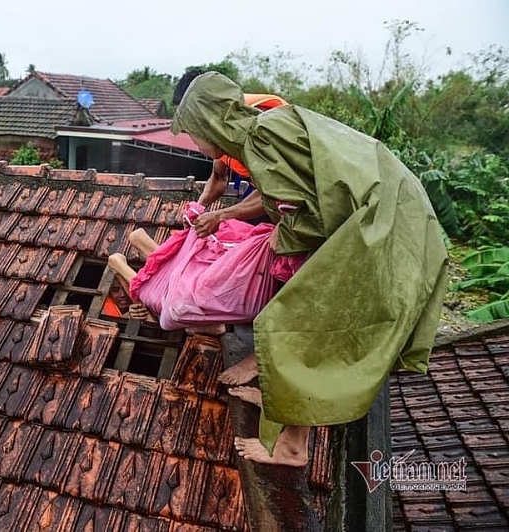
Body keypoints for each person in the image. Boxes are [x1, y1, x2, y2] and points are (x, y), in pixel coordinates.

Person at [167, 72, 448, 467]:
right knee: (293, 303)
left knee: (301, 314)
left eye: (193, 133)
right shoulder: (260, 133)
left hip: (384, 219)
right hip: (381, 211)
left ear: (209, 122)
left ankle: (293, 447)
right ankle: (281, 393)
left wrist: (281, 238)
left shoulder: (263, 139)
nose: (194, 143)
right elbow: (297, 201)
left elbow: (311, 215)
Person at [173, 70, 270, 237]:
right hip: (260, 189)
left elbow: (276, 193)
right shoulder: (220, 133)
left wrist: (220, 215)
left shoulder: (254, 126)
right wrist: (197, 209)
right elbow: (219, 178)